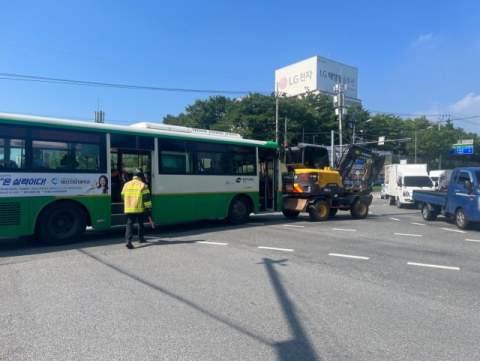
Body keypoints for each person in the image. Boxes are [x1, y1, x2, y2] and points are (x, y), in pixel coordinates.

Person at [121, 167, 152, 249]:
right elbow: (146, 198)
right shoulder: (143, 185)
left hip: (129, 208)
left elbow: (122, 196)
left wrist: (129, 201)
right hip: (139, 209)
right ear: (141, 176)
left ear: (133, 175)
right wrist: (149, 208)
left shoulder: (126, 184)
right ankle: (140, 238)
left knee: (129, 224)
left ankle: (128, 240)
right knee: (140, 223)